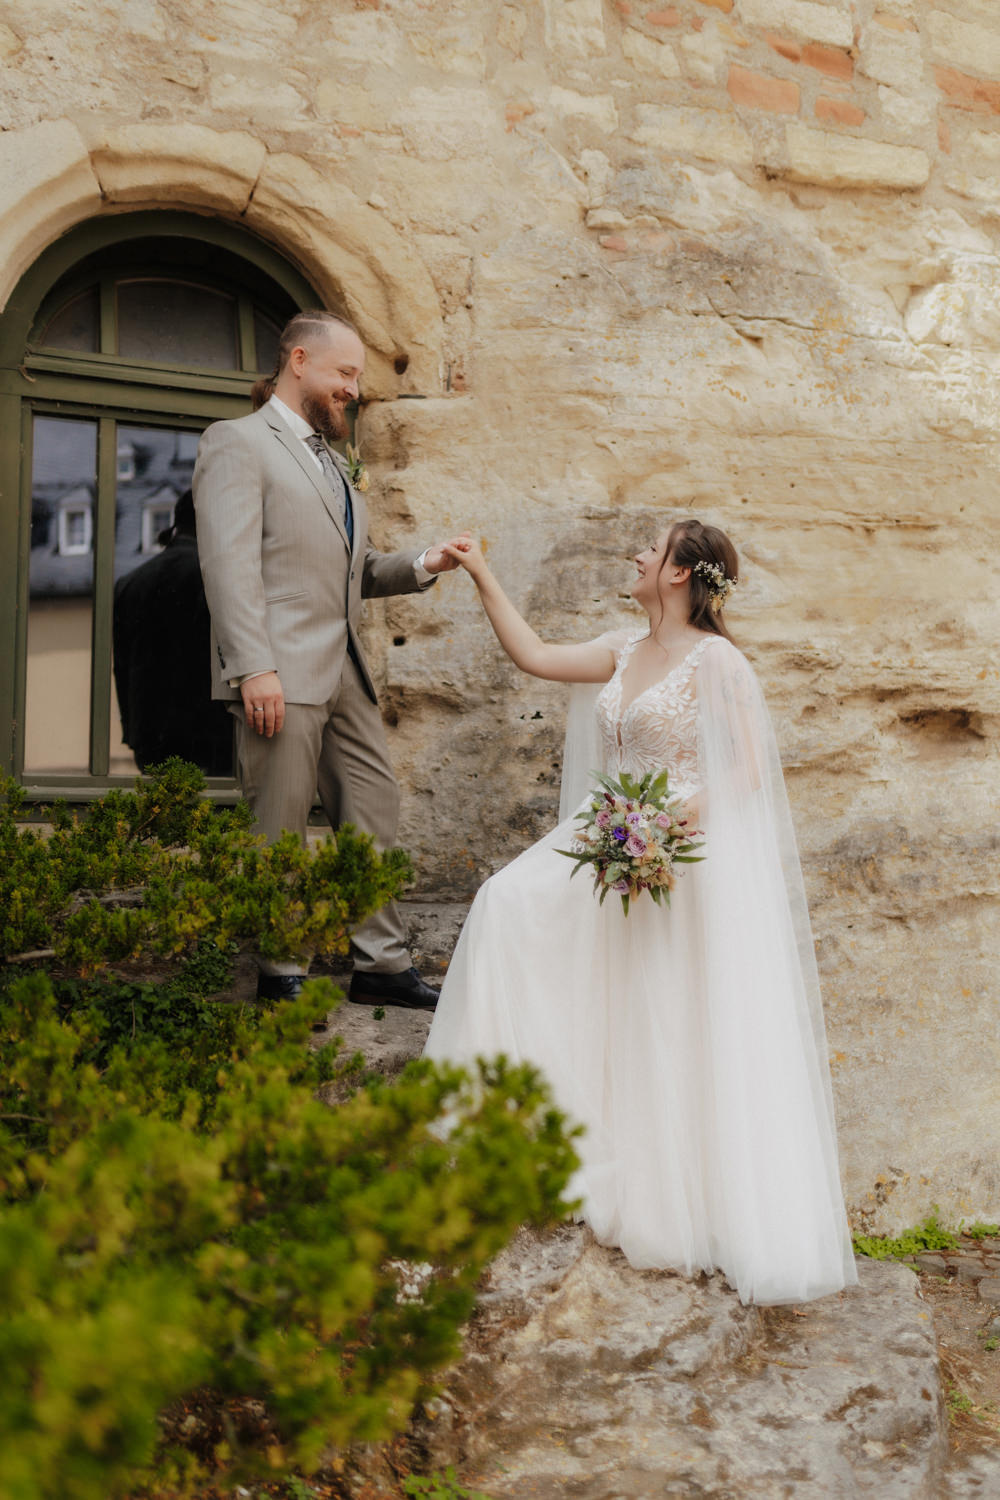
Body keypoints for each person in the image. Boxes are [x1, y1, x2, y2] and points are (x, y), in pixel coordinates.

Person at [424, 518, 858, 1306]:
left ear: (683, 574)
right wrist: (481, 573)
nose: (636, 556)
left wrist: (668, 824)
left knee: (664, 1010)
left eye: (650, 551)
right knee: (505, 903)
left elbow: (750, 768)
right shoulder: (621, 649)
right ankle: (510, 1135)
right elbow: (533, 656)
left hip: (677, 851)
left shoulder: (719, 662)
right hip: (604, 833)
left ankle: (669, 1190)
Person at [193, 309, 468, 1008]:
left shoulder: (335, 463)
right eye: (345, 372)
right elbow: (228, 564)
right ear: (299, 361)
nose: (353, 388)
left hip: (344, 670)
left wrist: (424, 562)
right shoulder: (237, 443)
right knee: (278, 828)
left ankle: (380, 964)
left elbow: (353, 571)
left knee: (373, 805)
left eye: (357, 377)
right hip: (278, 672)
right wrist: (253, 667)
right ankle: (281, 971)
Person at [112, 490, 234, 776]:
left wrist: (133, 730)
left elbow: (122, 665)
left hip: (149, 735)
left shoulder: (130, 582)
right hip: (209, 736)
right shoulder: (215, 577)